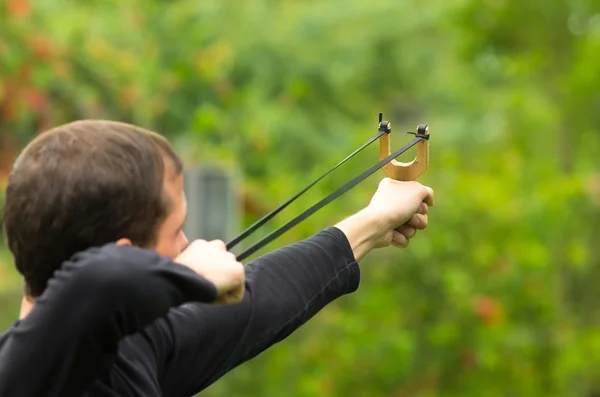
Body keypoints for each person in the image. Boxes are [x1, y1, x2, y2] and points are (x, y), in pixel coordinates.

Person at [0, 120, 434, 397]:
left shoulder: (128, 349)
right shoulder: (25, 378)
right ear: (126, 257)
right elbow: (100, 283)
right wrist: (192, 274)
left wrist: (372, 223)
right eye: (176, 231)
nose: (189, 241)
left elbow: (263, 298)